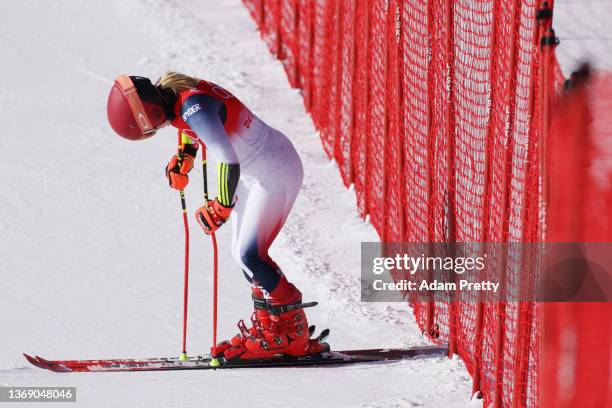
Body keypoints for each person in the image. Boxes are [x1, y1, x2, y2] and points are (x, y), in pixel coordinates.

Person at [106, 72, 320, 359]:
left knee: (251, 254)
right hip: (257, 171)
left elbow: (226, 158)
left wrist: (221, 205)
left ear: (150, 116)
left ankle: (291, 334)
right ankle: (271, 327)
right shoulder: (180, 100)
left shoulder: (192, 106)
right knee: (241, 254)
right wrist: (185, 157)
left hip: (272, 171)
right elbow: (195, 130)